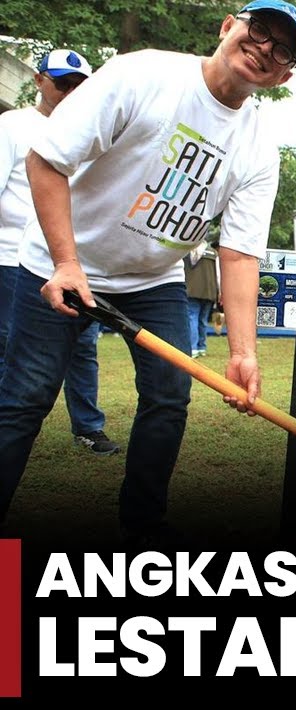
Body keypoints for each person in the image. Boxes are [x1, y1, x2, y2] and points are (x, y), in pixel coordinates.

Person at [0, 0, 296, 546]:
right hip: (59, 262)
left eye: (281, 49)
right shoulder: (143, 75)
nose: (264, 47)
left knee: (168, 397)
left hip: (153, 278)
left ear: (283, 75)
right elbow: (46, 160)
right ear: (227, 27)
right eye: (258, 30)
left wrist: (244, 353)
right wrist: (68, 263)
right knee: (26, 396)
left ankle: (142, 524)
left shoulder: (260, 144)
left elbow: (238, 252)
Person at [0, 49, 120, 457]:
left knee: (83, 349)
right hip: (14, 259)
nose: (69, 91)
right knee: (12, 352)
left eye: (78, 85)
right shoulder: (14, 125)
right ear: (39, 81)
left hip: (71, 263)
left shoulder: (95, 132)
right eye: (61, 83)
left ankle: (88, 427)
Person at [184, 242, 220, 359]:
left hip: (192, 290)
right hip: (210, 291)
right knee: (203, 320)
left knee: (192, 317)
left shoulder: (187, 250)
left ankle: (192, 348)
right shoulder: (213, 253)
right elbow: (218, 274)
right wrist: (219, 291)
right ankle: (201, 347)